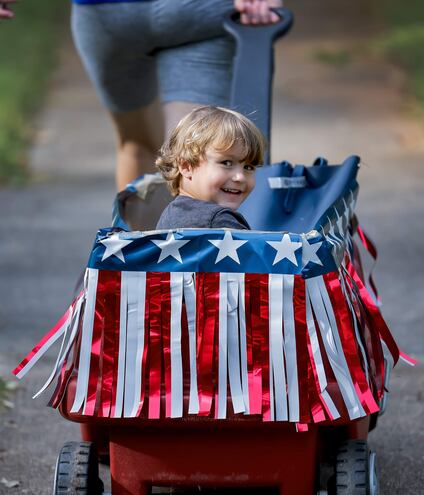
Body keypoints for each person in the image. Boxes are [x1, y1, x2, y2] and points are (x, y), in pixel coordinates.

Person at [1, 0, 282, 190]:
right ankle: (195, 274)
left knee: (138, 146)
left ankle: (133, 265)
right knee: (198, 159)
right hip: (196, 10)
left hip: (107, 12)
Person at [155, 105, 266, 230]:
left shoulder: (169, 216)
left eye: (249, 167)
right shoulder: (220, 222)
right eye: (227, 163)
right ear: (186, 166)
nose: (240, 177)